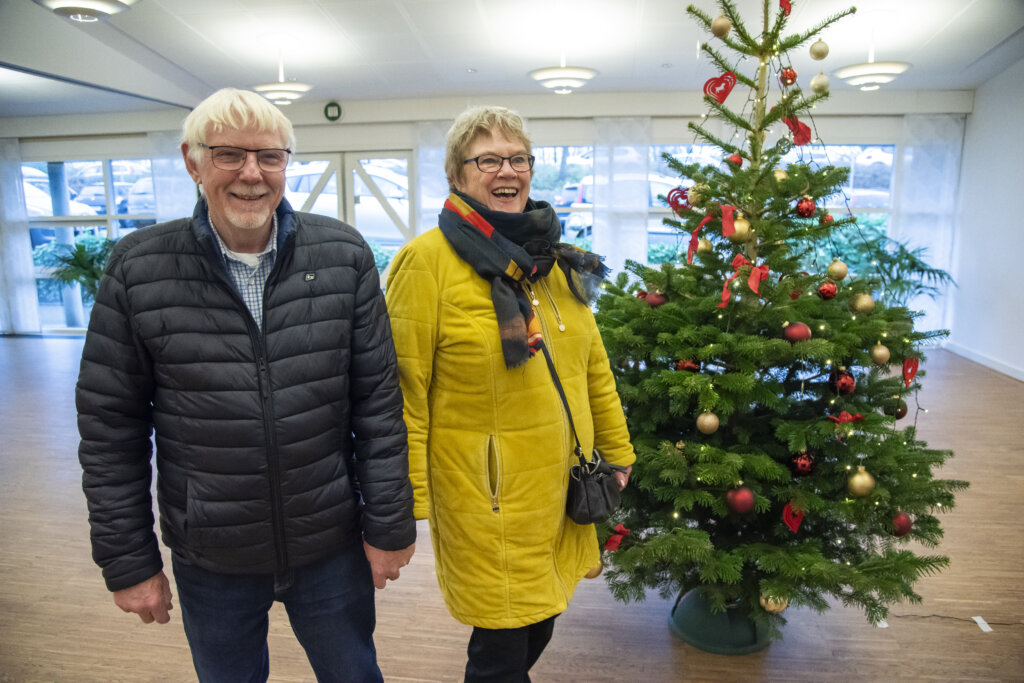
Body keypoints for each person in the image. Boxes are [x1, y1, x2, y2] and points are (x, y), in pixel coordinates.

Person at [76, 88, 415, 683]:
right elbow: (110, 432)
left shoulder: (344, 255)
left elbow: (378, 406)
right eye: (229, 154)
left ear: (288, 162)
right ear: (193, 161)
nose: (252, 175)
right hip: (213, 555)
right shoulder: (138, 269)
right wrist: (130, 561)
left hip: (329, 544)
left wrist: (389, 525)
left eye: (270, 157)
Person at [384, 105, 635, 682]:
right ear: (457, 174)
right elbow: (402, 393)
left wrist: (618, 454)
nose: (507, 171)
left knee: (541, 618)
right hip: (486, 494)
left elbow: (594, 369)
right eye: (488, 159)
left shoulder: (553, 262)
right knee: (500, 648)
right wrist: (405, 503)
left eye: (517, 158)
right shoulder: (426, 263)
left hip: (558, 484)